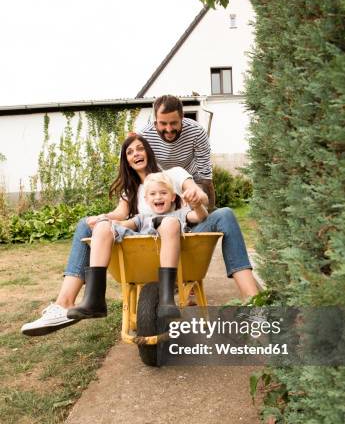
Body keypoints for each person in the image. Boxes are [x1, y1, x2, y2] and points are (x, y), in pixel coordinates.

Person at [21, 136, 259, 337]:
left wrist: (196, 195)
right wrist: (102, 219)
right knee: (87, 224)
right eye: (129, 152)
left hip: (185, 237)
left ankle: (253, 302)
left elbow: (198, 197)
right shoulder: (132, 191)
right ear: (126, 161)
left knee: (225, 214)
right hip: (149, 244)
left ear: (149, 151)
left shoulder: (173, 173)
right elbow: (121, 215)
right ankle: (64, 305)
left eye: (139, 148)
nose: (135, 153)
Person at [67, 171, 208, 323]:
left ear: (173, 196)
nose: (158, 197)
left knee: (170, 222)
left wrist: (197, 205)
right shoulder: (141, 219)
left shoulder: (180, 214)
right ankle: (94, 300)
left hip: (171, 256)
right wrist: (103, 220)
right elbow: (122, 224)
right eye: (153, 194)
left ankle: (166, 299)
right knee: (103, 226)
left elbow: (200, 216)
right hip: (138, 264)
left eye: (163, 193)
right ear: (146, 200)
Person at [140, 94, 215, 209]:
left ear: (182, 118)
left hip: (193, 179)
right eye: (163, 123)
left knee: (198, 210)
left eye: (174, 123)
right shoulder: (145, 136)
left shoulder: (197, 132)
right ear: (155, 120)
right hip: (162, 179)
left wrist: (207, 207)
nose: (169, 129)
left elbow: (205, 176)